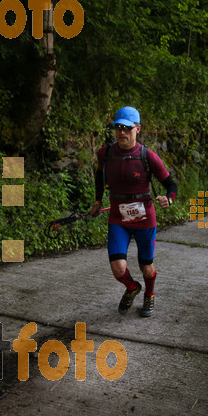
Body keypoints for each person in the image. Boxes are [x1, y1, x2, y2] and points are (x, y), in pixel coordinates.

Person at [88, 106, 177, 317]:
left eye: (127, 128)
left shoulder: (147, 156)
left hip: (144, 219)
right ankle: (132, 288)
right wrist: (97, 201)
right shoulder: (105, 153)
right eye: (118, 128)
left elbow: (171, 185)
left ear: (137, 129)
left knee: (146, 266)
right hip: (118, 218)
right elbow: (99, 178)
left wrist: (169, 199)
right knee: (118, 268)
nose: (121, 133)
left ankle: (150, 294)